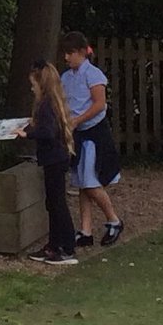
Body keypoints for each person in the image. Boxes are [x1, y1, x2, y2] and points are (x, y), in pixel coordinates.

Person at [59, 31, 123, 247]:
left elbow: (99, 104)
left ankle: (113, 220)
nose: (66, 58)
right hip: (77, 134)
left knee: (90, 181)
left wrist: (77, 120)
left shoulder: (93, 74)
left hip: (94, 133)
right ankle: (85, 230)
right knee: (81, 182)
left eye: (69, 53)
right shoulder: (66, 77)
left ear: (80, 52)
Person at [15, 60, 77, 265]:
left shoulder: (46, 104)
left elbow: (48, 132)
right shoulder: (51, 102)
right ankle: (54, 244)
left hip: (55, 159)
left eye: (33, 83)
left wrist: (27, 133)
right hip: (55, 159)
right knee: (52, 203)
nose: (32, 88)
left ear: (41, 83)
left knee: (57, 204)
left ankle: (66, 247)